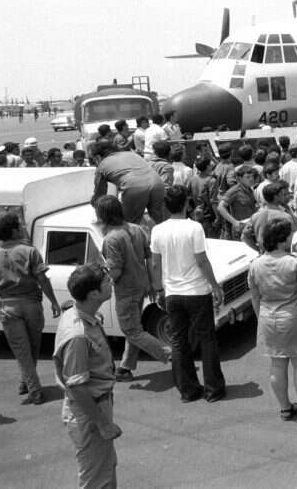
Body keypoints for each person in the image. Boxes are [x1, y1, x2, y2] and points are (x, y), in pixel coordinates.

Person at [0, 212, 62, 404]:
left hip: (8, 307)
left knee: (22, 351)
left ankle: (26, 382)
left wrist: (0, 293)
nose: (22, 229)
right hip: (32, 304)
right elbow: (42, 279)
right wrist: (54, 302)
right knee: (33, 348)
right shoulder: (29, 251)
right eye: (19, 226)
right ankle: (35, 391)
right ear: (14, 231)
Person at [150, 185, 226, 403]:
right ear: (186, 204)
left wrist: (159, 290)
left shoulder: (158, 230)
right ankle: (213, 389)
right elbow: (201, 260)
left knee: (178, 341)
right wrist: (215, 286)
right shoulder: (194, 228)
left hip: (172, 293)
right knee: (207, 339)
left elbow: (156, 265)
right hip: (197, 291)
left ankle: (188, 390)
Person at [53, 265, 120, 488]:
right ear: (93, 294)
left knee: (105, 468)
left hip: (96, 404)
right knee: (96, 479)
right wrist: (102, 423)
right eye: (106, 282)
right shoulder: (78, 336)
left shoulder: (78, 311)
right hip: (89, 412)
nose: (111, 283)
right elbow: (77, 388)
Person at [95, 196, 170, 382]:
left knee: (132, 331)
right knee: (135, 328)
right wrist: (154, 284)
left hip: (126, 291)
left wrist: (101, 274)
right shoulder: (136, 229)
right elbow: (149, 258)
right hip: (141, 286)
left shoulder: (111, 239)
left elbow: (116, 270)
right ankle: (125, 367)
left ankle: (171, 355)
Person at [248, 218, 297, 422]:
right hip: (296, 317)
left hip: (269, 317)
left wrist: (262, 318)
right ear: (282, 239)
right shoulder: (295, 263)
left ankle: (285, 408)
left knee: (277, 365)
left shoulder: (255, 265)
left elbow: (255, 297)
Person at [92, 139, 167, 224]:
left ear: (97, 157)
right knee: (159, 221)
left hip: (135, 187)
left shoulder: (102, 165)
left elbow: (100, 196)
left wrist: (97, 211)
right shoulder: (131, 154)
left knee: (130, 225)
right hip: (158, 184)